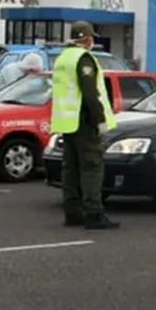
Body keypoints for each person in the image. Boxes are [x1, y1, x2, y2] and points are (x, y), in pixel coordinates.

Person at [51, 23, 119, 229]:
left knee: (70, 169)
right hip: (84, 121)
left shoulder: (63, 57)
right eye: (92, 38)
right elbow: (90, 93)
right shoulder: (84, 59)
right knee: (92, 168)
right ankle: (94, 214)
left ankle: (73, 212)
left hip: (67, 121)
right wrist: (100, 120)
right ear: (88, 39)